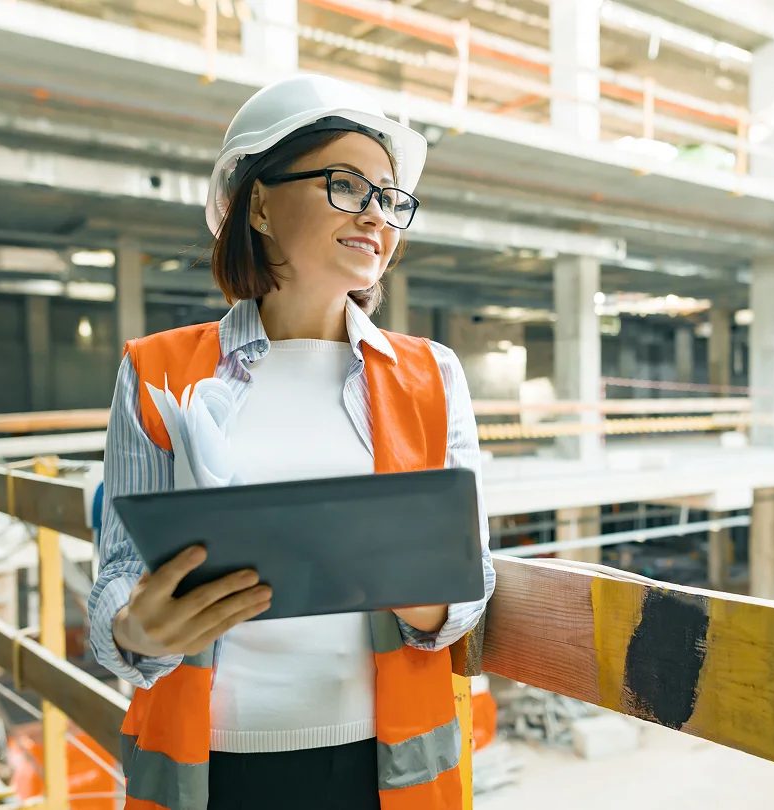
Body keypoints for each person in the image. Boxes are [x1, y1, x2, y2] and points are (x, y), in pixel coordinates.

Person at [87, 73, 496, 810]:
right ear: (262, 203)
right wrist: (133, 627)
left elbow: (469, 590)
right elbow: (119, 569)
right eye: (347, 185)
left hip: (384, 772)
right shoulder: (153, 370)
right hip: (212, 772)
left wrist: (431, 596)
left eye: (390, 197)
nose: (377, 214)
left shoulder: (433, 375)